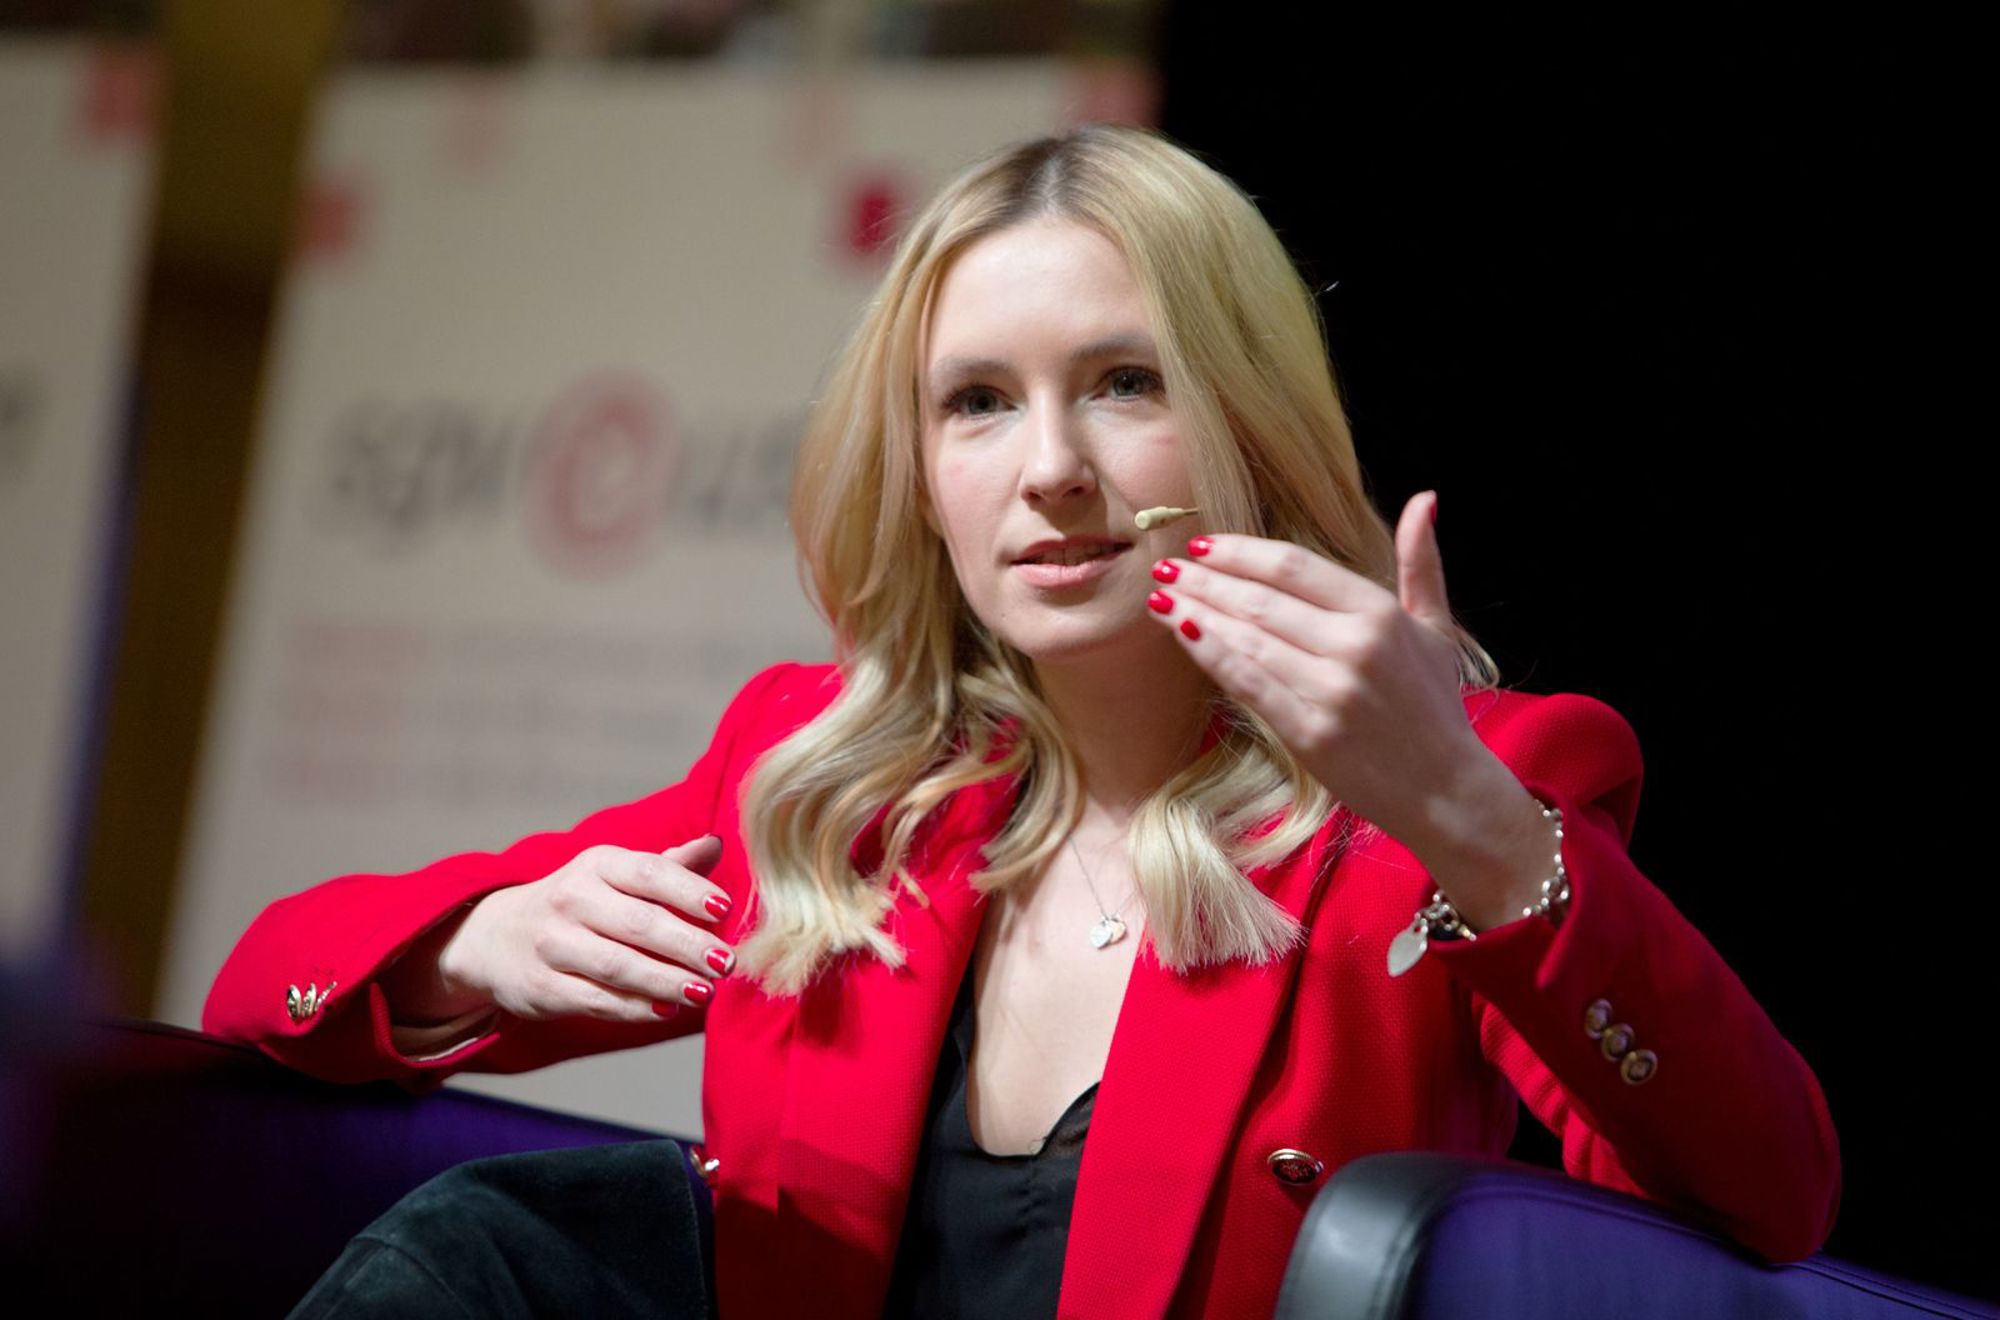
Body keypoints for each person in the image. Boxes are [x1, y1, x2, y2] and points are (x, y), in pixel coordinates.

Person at [203, 123, 1841, 1319]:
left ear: (1247, 415)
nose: (1051, 468)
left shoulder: (1468, 788)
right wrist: (468, 955)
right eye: (978, 402)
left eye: (1125, 383)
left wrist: (1465, 818)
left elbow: (1771, 1195)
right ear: (923, 470)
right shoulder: (832, 785)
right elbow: (263, 986)